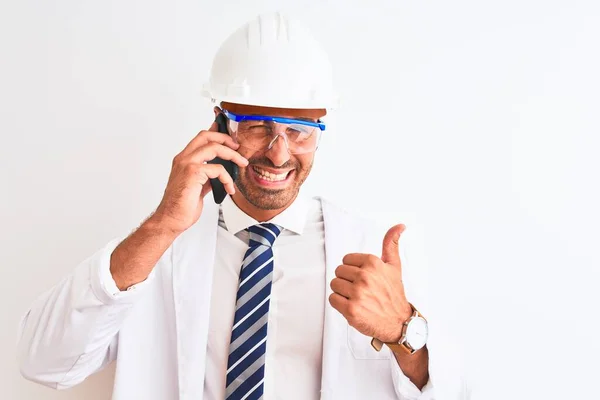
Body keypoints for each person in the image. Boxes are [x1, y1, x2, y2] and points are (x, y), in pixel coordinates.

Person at [17, 11, 469, 400]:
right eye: (255, 125)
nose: (278, 152)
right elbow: (45, 363)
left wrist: (403, 332)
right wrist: (159, 228)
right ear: (217, 123)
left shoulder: (376, 250)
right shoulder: (155, 252)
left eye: (299, 130)